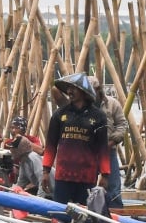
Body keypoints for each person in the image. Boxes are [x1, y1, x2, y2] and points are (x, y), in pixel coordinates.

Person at [41, 73, 110, 208]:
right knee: (59, 213)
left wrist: (105, 175)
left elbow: (103, 149)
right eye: (68, 88)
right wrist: (45, 172)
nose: (69, 91)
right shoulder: (60, 114)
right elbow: (50, 145)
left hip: (87, 176)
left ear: (83, 92)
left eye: (74, 88)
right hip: (63, 175)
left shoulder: (98, 116)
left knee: (85, 214)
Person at [87, 76, 129, 210]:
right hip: (88, 153)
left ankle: (116, 212)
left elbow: (122, 124)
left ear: (99, 90)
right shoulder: (84, 107)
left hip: (108, 150)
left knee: (113, 186)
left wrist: (112, 141)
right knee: (87, 184)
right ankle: (90, 210)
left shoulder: (112, 104)